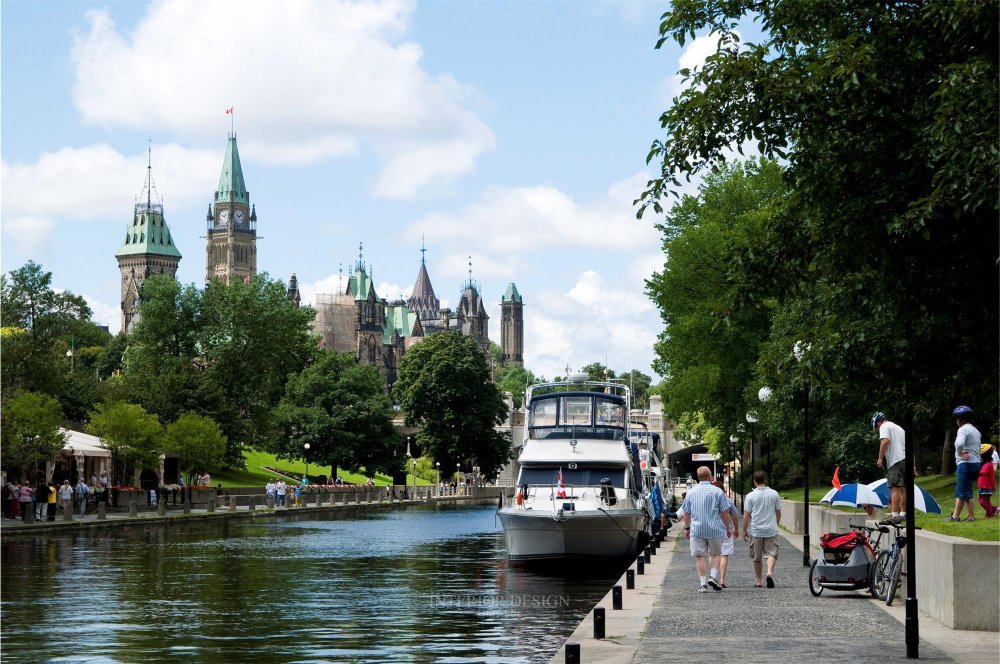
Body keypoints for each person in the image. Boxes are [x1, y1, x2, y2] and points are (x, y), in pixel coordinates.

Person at [681, 466, 735, 593]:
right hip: (715, 528)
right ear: (710, 476)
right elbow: (724, 513)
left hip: (697, 529)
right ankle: (713, 577)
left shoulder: (690, 492)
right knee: (716, 554)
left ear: (698, 477)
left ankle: (703, 585)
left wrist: (687, 528)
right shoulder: (718, 492)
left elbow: (686, 513)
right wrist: (728, 528)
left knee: (700, 556)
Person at [742, 470, 782, 588]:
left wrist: (744, 530)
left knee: (757, 557)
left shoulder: (750, 496)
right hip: (771, 529)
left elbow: (746, 515)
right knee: (772, 553)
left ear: (754, 481)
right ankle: (769, 573)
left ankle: (758, 580)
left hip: (756, 530)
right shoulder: (774, 494)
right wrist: (776, 523)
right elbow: (778, 512)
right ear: (765, 480)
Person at [947, 405, 981, 522]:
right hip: (975, 463)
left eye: (957, 419)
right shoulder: (976, 431)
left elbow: (959, 443)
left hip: (965, 464)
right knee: (962, 491)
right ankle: (955, 516)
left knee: (966, 492)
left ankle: (971, 516)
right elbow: (978, 448)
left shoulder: (962, 429)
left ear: (960, 419)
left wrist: (960, 452)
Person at [871, 411, 907, 524]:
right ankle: (903, 514)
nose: (878, 430)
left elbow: (885, 441)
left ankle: (894, 515)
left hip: (895, 461)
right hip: (905, 459)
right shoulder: (899, 428)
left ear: (877, 423)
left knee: (894, 488)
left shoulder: (884, 426)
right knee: (904, 489)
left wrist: (880, 458)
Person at [710, 480, 739, 587]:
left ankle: (713, 577)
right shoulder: (729, 501)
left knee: (713, 554)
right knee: (724, 555)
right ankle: (722, 580)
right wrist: (736, 529)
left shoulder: (709, 499)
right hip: (726, 530)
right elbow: (735, 516)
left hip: (712, 529)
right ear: (723, 490)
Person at [977, 444, 997, 518]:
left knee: (983, 501)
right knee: (981, 500)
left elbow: (983, 473)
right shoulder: (985, 464)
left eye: (980, 456)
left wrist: (975, 473)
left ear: (984, 456)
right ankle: (994, 509)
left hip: (987, 486)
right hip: (983, 486)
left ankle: (990, 514)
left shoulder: (988, 464)